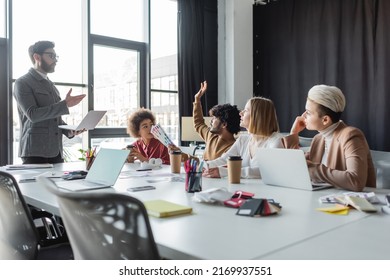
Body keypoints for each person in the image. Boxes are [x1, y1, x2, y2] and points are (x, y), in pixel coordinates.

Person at [282, 84, 376, 192]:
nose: (303, 116)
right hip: (324, 200)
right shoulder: (318, 139)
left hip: (352, 205)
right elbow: (294, 167)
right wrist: (293, 133)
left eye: (308, 112)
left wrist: (315, 169)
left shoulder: (351, 136)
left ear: (325, 120)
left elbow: (356, 181)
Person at [13, 40, 86, 164]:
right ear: (37, 57)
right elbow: (33, 115)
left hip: (56, 151)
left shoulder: (51, 85)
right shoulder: (22, 82)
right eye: (51, 56)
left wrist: (69, 131)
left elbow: (54, 118)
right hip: (34, 151)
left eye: (56, 56)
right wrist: (65, 104)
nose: (55, 60)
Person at [203, 96, 284, 179]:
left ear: (257, 116)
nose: (240, 113)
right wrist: (204, 165)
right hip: (244, 190)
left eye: (246, 110)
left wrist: (227, 172)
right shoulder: (243, 140)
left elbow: (268, 171)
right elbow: (224, 159)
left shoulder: (275, 141)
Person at [193, 81, 241, 160]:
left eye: (214, 118)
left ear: (224, 124)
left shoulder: (233, 148)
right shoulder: (211, 135)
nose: (210, 121)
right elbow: (199, 123)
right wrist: (197, 99)